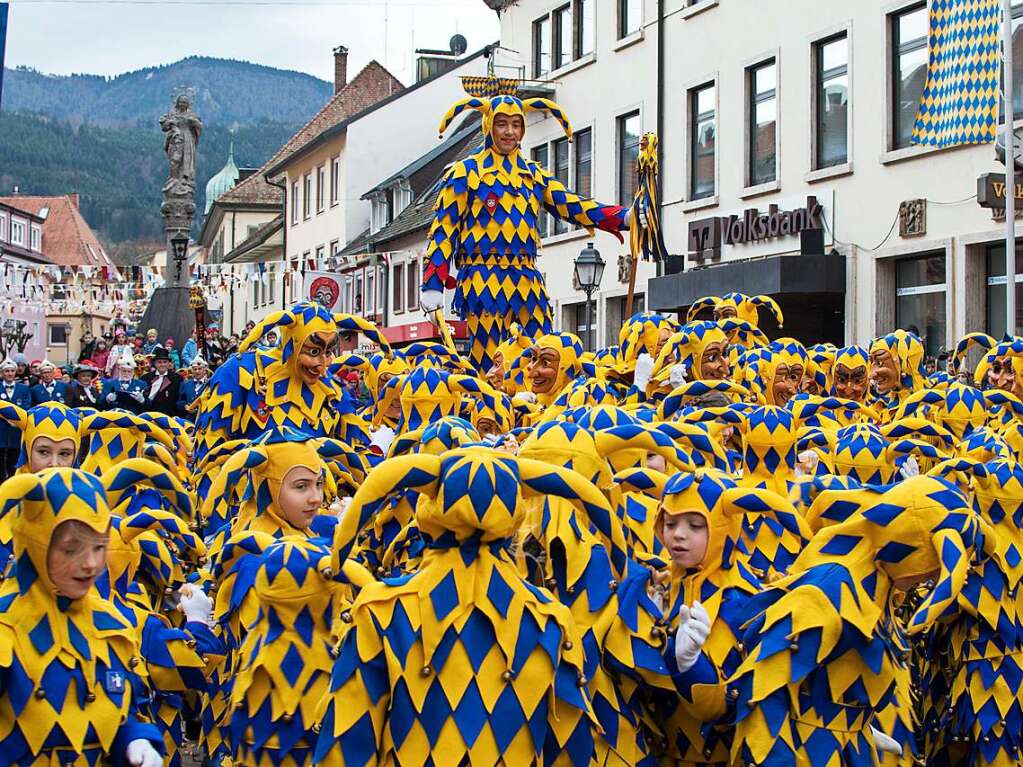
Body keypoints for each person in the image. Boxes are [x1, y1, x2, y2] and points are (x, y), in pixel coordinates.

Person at [421, 76, 636, 373]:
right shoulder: (466, 173)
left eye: (516, 124)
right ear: (488, 126)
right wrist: (432, 285)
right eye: (501, 124)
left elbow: (572, 205)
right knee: (491, 367)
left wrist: (623, 218)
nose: (509, 132)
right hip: (483, 280)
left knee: (541, 360)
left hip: (527, 282)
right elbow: (443, 230)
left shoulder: (533, 175)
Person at [0, 468, 167, 767]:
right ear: (36, 543)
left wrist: (135, 740)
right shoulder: (6, 630)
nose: (90, 564)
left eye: (99, 547)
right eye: (71, 549)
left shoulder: (111, 626)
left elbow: (123, 711)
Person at [0, 360, 31, 480]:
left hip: (16, 430)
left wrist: (14, 418)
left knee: (15, 457)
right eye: (6, 371)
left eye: (12, 371)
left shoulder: (23, 389)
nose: (9, 373)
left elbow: (26, 406)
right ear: (2, 373)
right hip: (1, 429)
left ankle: (14, 481)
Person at [142, 346, 183, 418]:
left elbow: (179, 399)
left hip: (170, 417)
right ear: (155, 363)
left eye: (165, 362)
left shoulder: (177, 378)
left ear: (168, 363)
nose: (162, 365)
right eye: (159, 362)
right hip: (150, 416)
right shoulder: (146, 378)